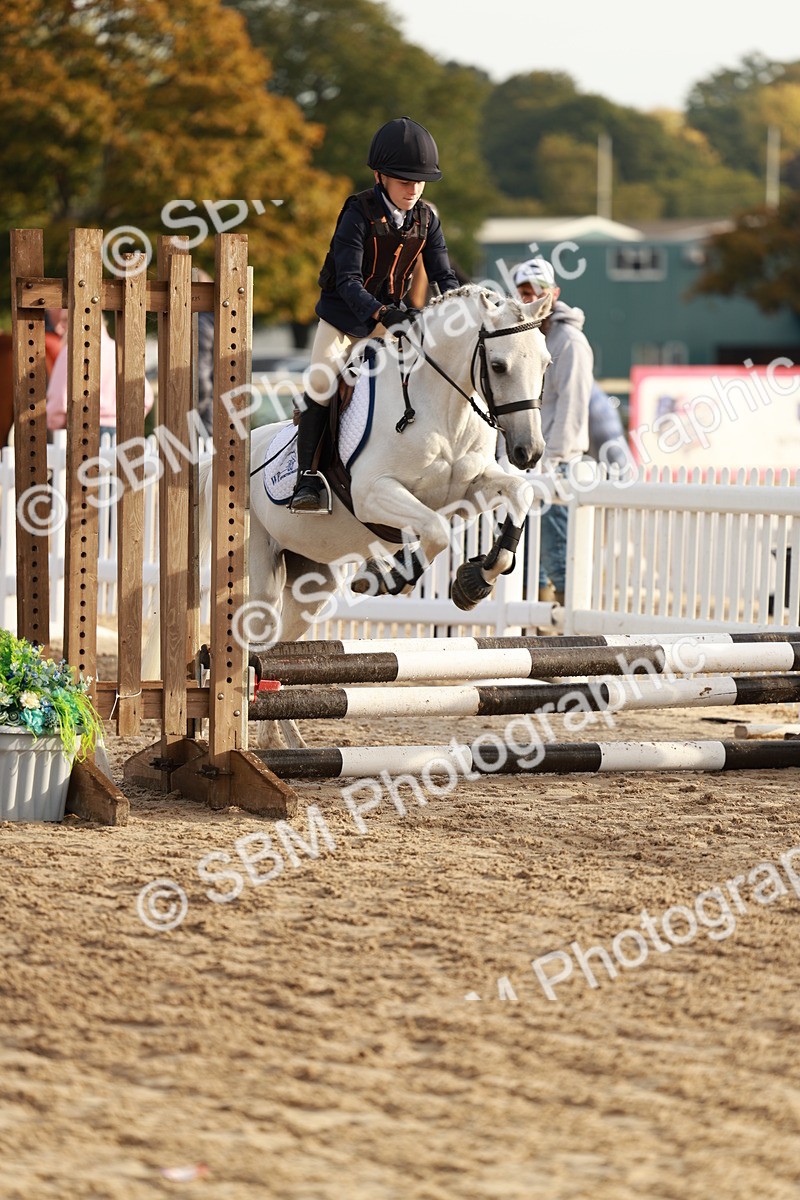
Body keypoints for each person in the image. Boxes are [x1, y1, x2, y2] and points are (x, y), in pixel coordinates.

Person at [291, 116, 461, 513]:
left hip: (389, 321)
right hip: (343, 320)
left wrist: (460, 309)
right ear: (380, 176)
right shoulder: (357, 213)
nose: (413, 190)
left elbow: (444, 277)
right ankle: (307, 479)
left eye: (419, 182)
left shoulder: (427, 220)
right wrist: (386, 313)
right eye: (405, 181)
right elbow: (348, 281)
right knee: (323, 381)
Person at [513, 257, 593, 604]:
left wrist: (554, 459)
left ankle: (564, 627)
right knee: (530, 555)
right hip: (533, 461)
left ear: (553, 293)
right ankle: (539, 633)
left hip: (557, 462)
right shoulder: (530, 336)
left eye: (535, 292)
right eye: (522, 293)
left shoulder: (570, 342)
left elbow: (572, 407)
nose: (529, 299)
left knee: (556, 551)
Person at [46, 317, 154, 437]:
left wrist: (57, 425)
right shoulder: (118, 351)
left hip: (83, 429)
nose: (58, 327)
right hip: (120, 430)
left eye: (65, 320)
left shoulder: (71, 351)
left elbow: (58, 401)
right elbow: (146, 397)